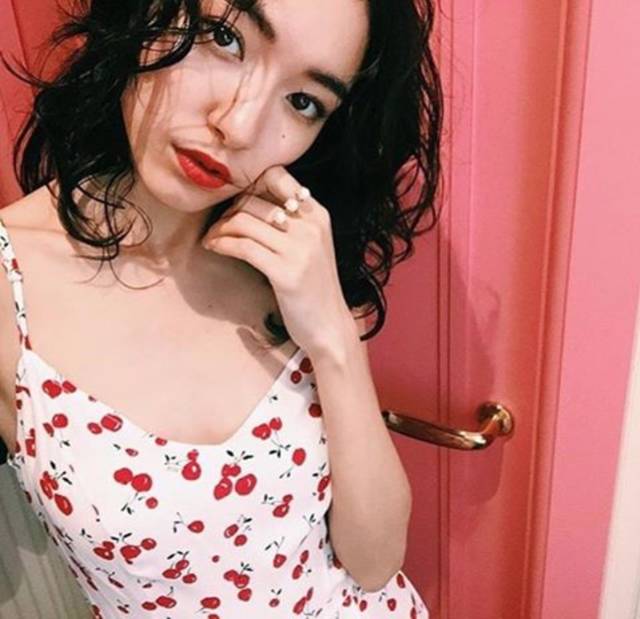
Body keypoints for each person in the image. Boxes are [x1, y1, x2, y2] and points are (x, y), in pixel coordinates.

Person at [0, 0, 442, 616]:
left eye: (303, 101)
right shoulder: (10, 285)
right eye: (223, 37)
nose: (239, 125)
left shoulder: (292, 254)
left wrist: (335, 340)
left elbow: (374, 563)